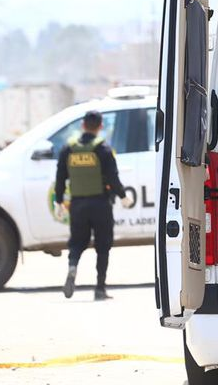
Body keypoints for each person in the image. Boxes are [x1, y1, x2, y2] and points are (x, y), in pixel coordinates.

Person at [54, 110, 132, 300]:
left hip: (78, 205)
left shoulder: (68, 149)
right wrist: (123, 196)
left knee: (77, 242)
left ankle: (73, 266)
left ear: (83, 125)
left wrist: (59, 201)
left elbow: (60, 177)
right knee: (103, 246)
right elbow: (113, 178)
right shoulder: (103, 149)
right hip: (101, 204)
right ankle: (100, 288)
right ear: (100, 126)